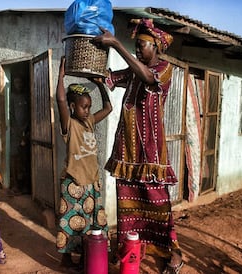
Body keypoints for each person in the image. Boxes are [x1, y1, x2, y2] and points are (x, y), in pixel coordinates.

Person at [93, 18, 184, 273]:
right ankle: (130, 250)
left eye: (142, 45)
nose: (137, 49)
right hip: (126, 150)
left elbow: (147, 78)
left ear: (156, 47)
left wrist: (116, 45)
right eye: (136, 45)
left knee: (158, 202)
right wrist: (95, 59)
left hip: (151, 153)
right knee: (127, 203)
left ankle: (173, 253)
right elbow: (108, 79)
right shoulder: (134, 69)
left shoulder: (164, 69)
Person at [55, 56, 112, 270]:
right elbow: (60, 100)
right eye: (83, 107)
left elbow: (108, 108)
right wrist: (61, 77)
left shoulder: (88, 122)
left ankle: (89, 256)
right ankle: (67, 259)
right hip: (74, 183)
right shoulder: (69, 125)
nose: (87, 111)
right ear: (72, 106)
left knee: (91, 223)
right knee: (70, 223)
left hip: (91, 182)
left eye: (88, 107)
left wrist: (100, 86)